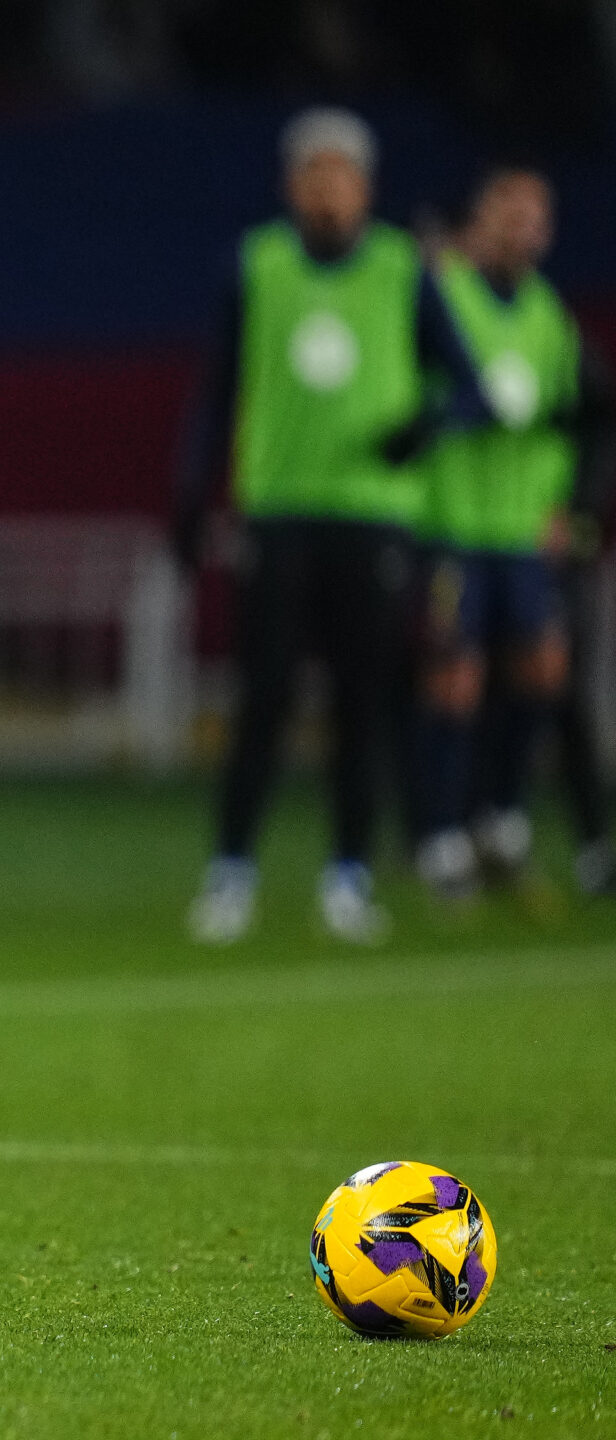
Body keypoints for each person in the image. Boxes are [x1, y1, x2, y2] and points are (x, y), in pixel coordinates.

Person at [173, 106, 489, 945]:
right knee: (264, 699)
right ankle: (230, 872)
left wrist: (423, 423)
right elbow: (217, 386)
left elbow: (471, 384)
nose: (325, 187)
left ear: (365, 187)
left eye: (340, 174)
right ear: (289, 184)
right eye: (312, 172)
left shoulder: (402, 269)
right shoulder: (258, 263)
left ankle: (349, 874)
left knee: (363, 705)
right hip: (277, 510)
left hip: (374, 519)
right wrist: (190, 488)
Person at [409, 166, 610, 898]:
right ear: (479, 222)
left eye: (533, 218)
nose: (520, 230)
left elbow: (569, 420)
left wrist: (568, 509)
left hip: (525, 531)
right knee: (453, 680)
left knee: (543, 672)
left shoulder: (550, 318)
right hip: (453, 521)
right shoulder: (443, 299)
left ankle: (501, 817)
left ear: (548, 233)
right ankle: (438, 839)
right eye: (506, 214)